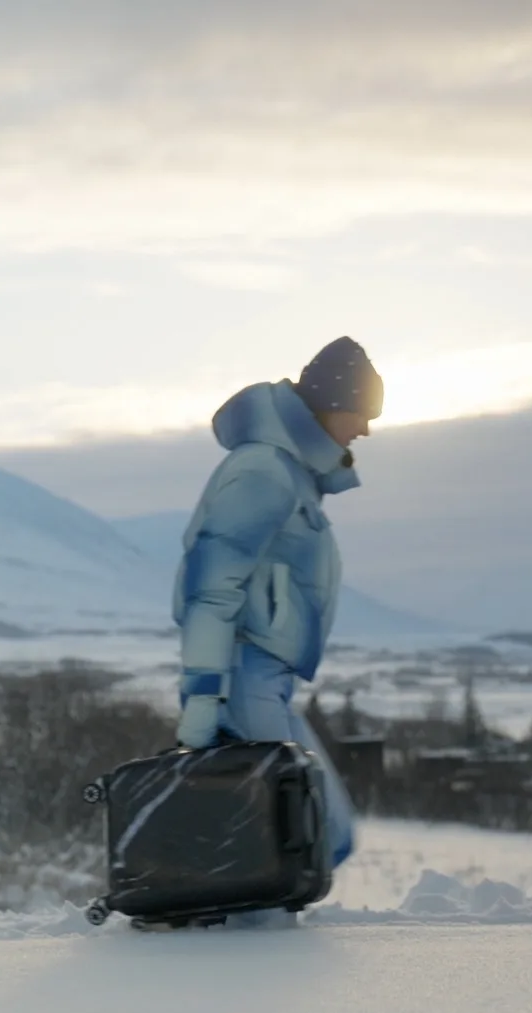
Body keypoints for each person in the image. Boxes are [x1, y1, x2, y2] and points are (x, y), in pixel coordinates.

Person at [169, 335, 382, 927]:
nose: (365, 430)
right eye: (362, 413)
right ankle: (245, 967)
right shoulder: (263, 471)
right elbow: (210, 590)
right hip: (243, 676)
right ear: (327, 404)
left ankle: (244, 944)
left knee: (323, 831)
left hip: (268, 680)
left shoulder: (289, 474)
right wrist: (203, 696)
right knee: (287, 834)